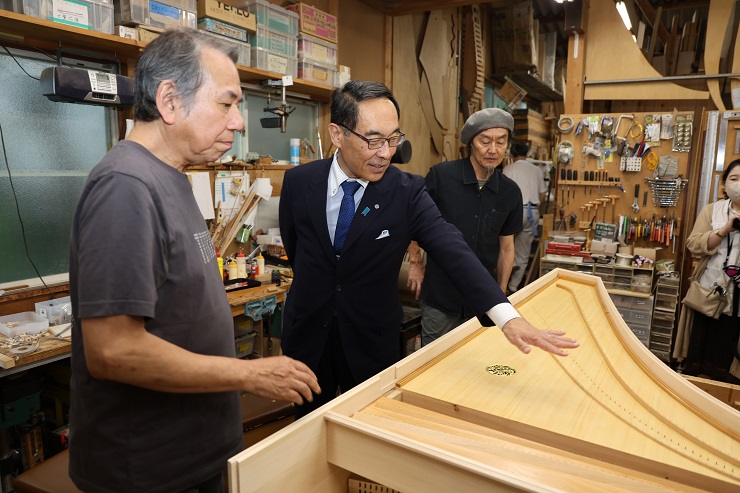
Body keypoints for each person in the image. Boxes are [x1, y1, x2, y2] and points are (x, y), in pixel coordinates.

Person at [68, 30, 319, 493]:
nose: (240, 123)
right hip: (149, 472)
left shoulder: (175, 178)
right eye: (226, 104)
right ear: (170, 100)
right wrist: (249, 373)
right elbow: (113, 350)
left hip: (198, 455)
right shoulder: (125, 185)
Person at [279, 82, 578, 419]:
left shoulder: (406, 192)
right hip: (307, 338)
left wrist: (506, 315)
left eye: (393, 139)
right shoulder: (299, 182)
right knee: (303, 430)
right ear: (337, 134)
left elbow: (453, 249)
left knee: (368, 428)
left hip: (370, 341)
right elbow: (297, 251)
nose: (385, 153)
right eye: (373, 140)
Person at [408, 108, 524, 346]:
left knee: (474, 363)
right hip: (441, 295)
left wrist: (499, 294)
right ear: (471, 142)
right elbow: (412, 221)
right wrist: (415, 263)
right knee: (433, 360)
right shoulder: (441, 177)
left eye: (501, 142)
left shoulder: (510, 192)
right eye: (485, 141)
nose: (493, 150)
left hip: (481, 302)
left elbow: (506, 248)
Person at [679, 159, 740, 384]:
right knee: (700, 354)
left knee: (728, 362)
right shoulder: (712, 211)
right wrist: (724, 230)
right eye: (734, 179)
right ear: (724, 184)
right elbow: (693, 245)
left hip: (738, 303)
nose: (739, 184)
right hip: (708, 293)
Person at [502, 140, 547, 293]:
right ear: (527, 153)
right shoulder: (537, 170)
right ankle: (513, 286)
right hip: (532, 212)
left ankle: (502, 285)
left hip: (512, 211)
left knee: (504, 247)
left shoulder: (509, 168)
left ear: (512, 154)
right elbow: (542, 194)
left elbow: (502, 194)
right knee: (523, 252)